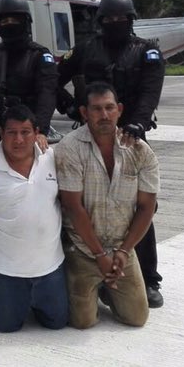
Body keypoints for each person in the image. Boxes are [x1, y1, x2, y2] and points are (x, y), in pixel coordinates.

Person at [56, 0, 166, 308]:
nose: (114, 24)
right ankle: (91, 272)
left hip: (130, 137)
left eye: (121, 19)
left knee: (142, 210)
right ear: (99, 21)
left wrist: (138, 125)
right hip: (90, 136)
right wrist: (71, 108)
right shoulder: (86, 49)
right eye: (108, 19)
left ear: (131, 20)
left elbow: (149, 91)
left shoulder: (147, 52)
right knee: (85, 205)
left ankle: (147, 279)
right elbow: (53, 78)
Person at [55, 82, 159, 329]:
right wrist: (99, 255)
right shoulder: (69, 148)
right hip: (82, 248)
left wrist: (123, 252)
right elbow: (73, 206)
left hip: (121, 247)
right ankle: (88, 281)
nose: (104, 115)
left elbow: (146, 207)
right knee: (83, 322)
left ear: (120, 109)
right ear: (84, 112)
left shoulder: (141, 151)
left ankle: (106, 289)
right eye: (97, 109)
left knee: (137, 319)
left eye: (109, 108)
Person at [0, 104, 68, 332]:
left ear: (37, 133)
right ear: (1, 132)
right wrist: (3, 229)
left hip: (50, 267)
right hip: (6, 270)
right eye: (11, 132)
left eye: (25, 132)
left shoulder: (51, 158)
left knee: (58, 323)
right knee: (6, 326)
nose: (19, 139)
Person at [0, 0, 58, 155]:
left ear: (26, 22)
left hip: (24, 134)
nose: (9, 24)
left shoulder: (39, 55)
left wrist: (41, 130)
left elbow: (47, 95)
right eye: (4, 21)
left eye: (15, 20)